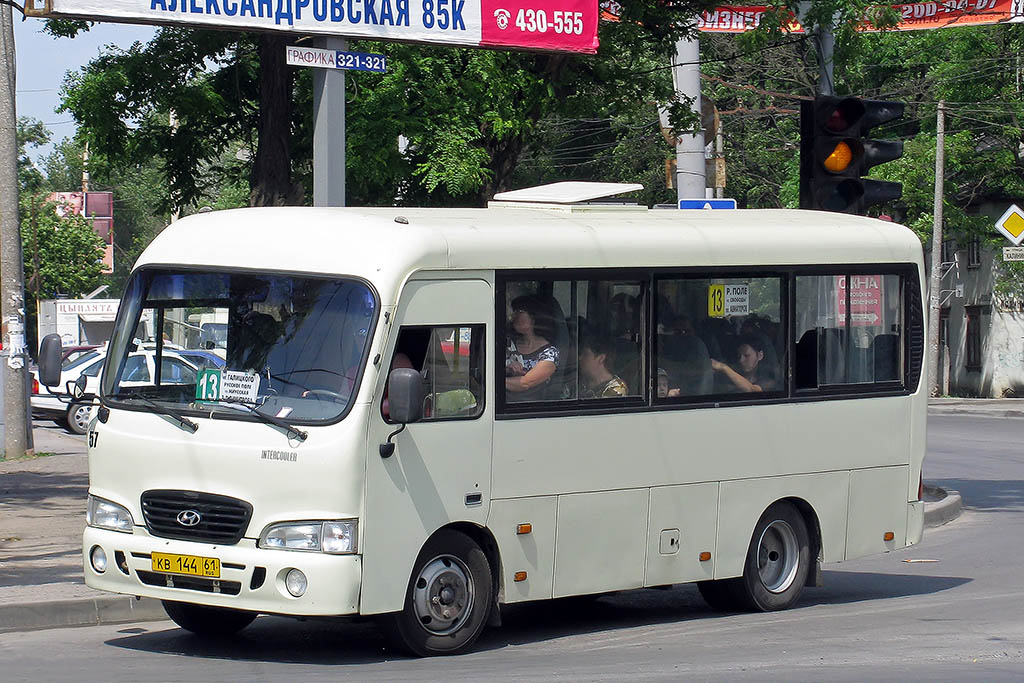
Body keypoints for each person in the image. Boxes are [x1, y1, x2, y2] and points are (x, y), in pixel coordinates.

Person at [505, 295, 559, 400]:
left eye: (519, 312)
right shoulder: (508, 344)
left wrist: (494, 382)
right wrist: (508, 369)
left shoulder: (550, 353)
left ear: (533, 318)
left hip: (532, 409)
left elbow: (525, 383)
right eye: (513, 312)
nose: (513, 316)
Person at [711, 335, 777, 393]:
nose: (741, 360)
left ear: (760, 355)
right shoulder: (730, 373)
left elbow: (753, 390)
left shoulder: (768, 378)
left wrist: (723, 367)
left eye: (746, 356)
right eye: (739, 356)